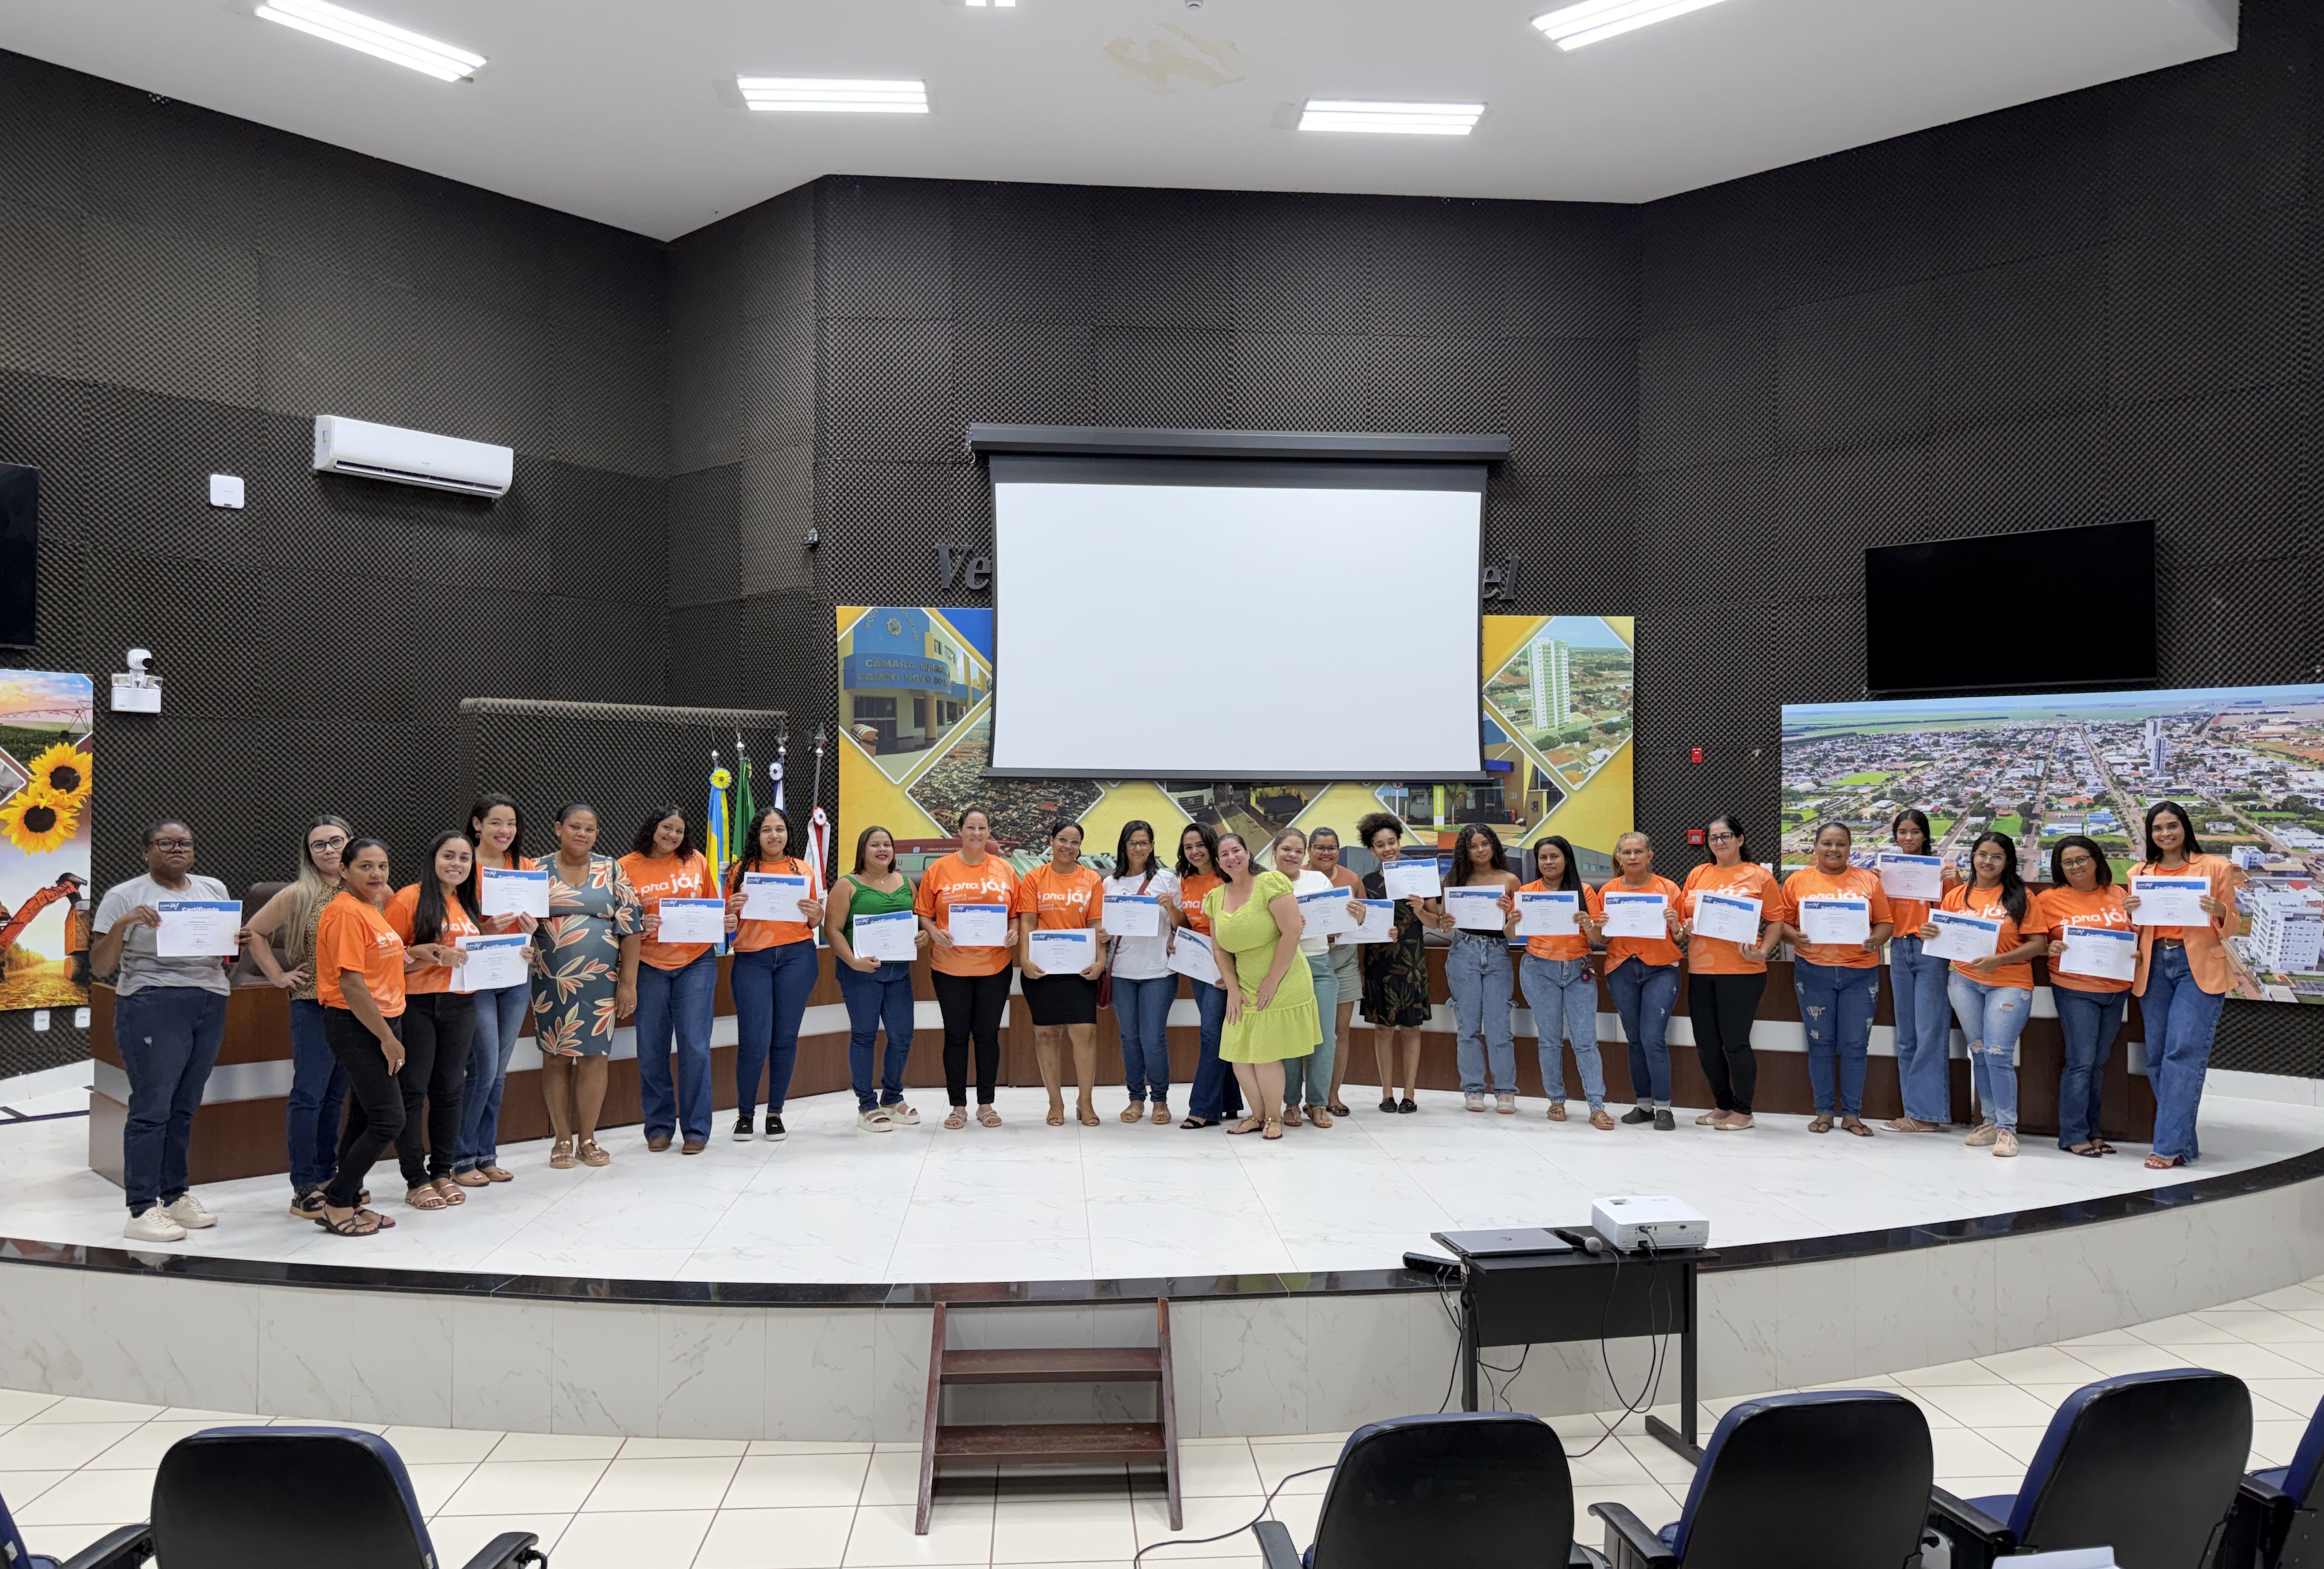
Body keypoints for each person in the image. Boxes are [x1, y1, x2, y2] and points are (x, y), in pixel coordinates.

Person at [91, 819, 234, 1243]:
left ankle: (174, 1196)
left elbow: (226, 955)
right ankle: (140, 1208)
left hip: (210, 1000)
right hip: (152, 1003)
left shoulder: (214, 889)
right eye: (166, 843)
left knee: (185, 1106)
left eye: (185, 843)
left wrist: (235, 939)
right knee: (152, 1107)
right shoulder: (123, 896)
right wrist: (124, 925)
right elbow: (100, 966)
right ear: (146, 851)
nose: (177, 849)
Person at [241, 814, 353, 1219]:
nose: (328, 850)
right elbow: (252, 933)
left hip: (358, 1006)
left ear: (349, 842)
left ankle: (328, 1174)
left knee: (337, 1094)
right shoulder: (297, 894)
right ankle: (303, 1185)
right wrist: (277, 975)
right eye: (319, 844)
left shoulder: (366, 888)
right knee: (309, 1095)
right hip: (312, 1002)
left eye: (335, 841)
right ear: (309, 853)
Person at [311, 838, 425, 1237]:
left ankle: (352, 1199)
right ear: (343, 871)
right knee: (389, 1119)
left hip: (381, 1022)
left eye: (382, 866)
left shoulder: (370, 909)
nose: (377, 874)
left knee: (363, 1117)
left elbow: (384, 969)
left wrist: (426, 956)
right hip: (357, 1024)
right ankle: (338, 1202)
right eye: (365, 866)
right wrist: (388, 1039)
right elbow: (352, 984)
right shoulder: (344, 912)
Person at [2125, 801, 2243, 1170]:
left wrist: (2220, 912)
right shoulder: (2139, 872)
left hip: (2198, 967)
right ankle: (2184, 1144)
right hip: (2155, 966)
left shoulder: (2215, 868)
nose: (2165, 834)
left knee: (2183, 1053)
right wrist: (2131, 913)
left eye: (2171, 826)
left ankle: (2167, 1146)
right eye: (2157, 828)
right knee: (2157, 1058)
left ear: (2184, 828)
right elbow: (2137, 929)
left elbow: (2235, 926)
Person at [532, 803, 642, 1169]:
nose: (582, 834)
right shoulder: (535, 870)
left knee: (595, 1056)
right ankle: (562, 1138)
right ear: (558, 828)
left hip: (601, 982)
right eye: (575, 827)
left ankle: (588, 1138)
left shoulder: (611, 869)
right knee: (557, 1056)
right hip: (550, 979)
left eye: (590, 829)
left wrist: (628, 984)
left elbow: (631, 929)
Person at [1775, 823, 1892, 1137]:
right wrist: (1795, 937)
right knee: (1820, 1044)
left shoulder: (1867, 881)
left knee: (1855, 1045)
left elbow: (1885, 923)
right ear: (1816, 846)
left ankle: (1852, 1114)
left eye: (1841, 844)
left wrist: (1876, 940)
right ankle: (1824, 1112)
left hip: (1860, 973)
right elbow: (1781, 922)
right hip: (1814, 971)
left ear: (1850, 848)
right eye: (1827, 843)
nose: (1834, 850)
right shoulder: (1798, 881)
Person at [383, 831, 479, 1209]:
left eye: (464, 859)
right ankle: (415, 1178)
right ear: (433, 858)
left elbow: (474, 954)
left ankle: (443, 1171)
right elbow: (387, 957)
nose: (456, 864)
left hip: (461, 1005)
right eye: (448, 856)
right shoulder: (408, 898)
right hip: (417, 1006)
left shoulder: (467, 901)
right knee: (412, 1093)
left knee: (450, 1092)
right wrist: (431, 956)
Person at [1204, 831, 1318, 1139]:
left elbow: (1292, 931)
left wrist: (1271, 981)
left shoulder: (1271, 883)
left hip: (1282, 979)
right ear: (1219, 861)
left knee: (1266, 1055)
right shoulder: (1215, 898)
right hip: (1244, 985)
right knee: (1239, 1054)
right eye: (1225, 854)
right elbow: (1219, 949)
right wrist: (1233, 988)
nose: (1232, 858)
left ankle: (1274, 1118)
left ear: (1248, 852)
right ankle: (1256, 1116)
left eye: (1236, 850)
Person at [620, 805, 720, 1155]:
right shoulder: (626, 866)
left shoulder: (697, 861)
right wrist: (637, 925)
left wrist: (724, 921)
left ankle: (696, 1129)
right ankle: (659, 1127)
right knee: (651, 1050)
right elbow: (616, 920)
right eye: (667, 828)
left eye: (679, 831)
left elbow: (713, 906)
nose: (672, 836)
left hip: (696, 962)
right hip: (647, 964)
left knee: (695, 1046)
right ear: (653, 827)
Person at [1941, 831, 2047, 1159]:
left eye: (1996, 856)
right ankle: (1988, 1122)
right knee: (1980, 1053)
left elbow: (2039, 945)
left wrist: (1999, 960)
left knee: (1999, 1053)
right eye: (1982, 854)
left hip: (2010, 983)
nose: (1987, 861)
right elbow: (1946, 937)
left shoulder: (2022, 897)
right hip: (1964, 982)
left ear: (2007, 862)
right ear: (1973, 857)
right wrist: (1933, 932)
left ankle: (2007, 1129)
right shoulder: (1957, 896)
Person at [915, 805, 1021, 1129]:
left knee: (988, 1035)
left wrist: (1015, 930)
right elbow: (924, 912)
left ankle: (986, 1105)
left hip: (995, 965)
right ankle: (958, 1106)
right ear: (959, 831)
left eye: (983, 828)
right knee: (956, 1036)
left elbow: (1016, 911)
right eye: (971, 827)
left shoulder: (1004, 869)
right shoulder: (939, 869)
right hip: (950, 967)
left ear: (990, 833)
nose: (977, 833)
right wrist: (934, 932)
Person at [1677, 814, 1784, 1132]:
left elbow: (1777, 921)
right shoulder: (1698, 873)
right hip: (1700, 969)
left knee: (1735, 1043)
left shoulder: (1759, 876)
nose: (1719, 843)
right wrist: (1684, 926)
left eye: (1726, 836)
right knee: (1707, 1043)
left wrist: (1763, 951)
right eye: (1713, 838)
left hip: (1742, 972)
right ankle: (1722, 1104)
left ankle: (1744, 1110)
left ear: (1740, 839)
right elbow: (1686, 918)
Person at [452, 794, 537, 1187]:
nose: (505, 832)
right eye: (496, 824)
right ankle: (461, 1157)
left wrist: (532, 935)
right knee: (483, 1069)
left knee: (498, 1072)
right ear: (476, 825)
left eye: (512, 824)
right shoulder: (461, 863)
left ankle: (486, 1154)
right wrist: (481, 931)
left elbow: (536, 923)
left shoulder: (525, 868)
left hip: (515, 975)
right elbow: (445, 920)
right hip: (476, 977)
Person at [725, 807, 824, 1142]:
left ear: (787, 833)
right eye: (767, 830)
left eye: (780, 829)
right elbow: (727, 924)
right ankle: (745, 1115)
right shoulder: (740, 871)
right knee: (754, 1040)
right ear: (757, 834)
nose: (774, 836)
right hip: (752, 959)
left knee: (784, 1038)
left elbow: (813, 921)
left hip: (797, 957)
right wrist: (731, 910)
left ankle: (775, 1112)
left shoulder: (803, 868)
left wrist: (818, 913)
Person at [824, 825, 927, 1130]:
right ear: (862, 851)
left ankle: (893, 1097)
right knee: (864, 1036)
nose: (882, 850)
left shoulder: (906, 882)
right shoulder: (847, 885)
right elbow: (832, 930)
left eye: (887, 845)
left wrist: (923, 936)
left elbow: (919, 922)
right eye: (875, 845)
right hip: (860, 974)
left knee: (902, 1035)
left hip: (899, 973)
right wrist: (854, 962)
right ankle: (866, 1104)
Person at [1508, 833, 1611, 1129]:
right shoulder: (1527, 892)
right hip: (1539, 969)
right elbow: (1512, 937)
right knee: (1550, 1039)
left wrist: (1588, 924)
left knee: (1585, 1040)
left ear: (1566, 859)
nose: (1549, 862)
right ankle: (1556, 1101)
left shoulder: (1585, 891)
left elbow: (1598, 940)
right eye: (1543, 857)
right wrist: (1512, 922)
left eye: (1555, 856)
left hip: (1578, 969)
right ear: (1537, 862)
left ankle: (1597, 1106)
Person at [1584, 831, 1684, 1130]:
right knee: (1635, 1040)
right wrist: (1596, 926)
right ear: (1618, 857)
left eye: (1638, 852)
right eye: (1626, 853)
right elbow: (1602, 938)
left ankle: (1664, 1107)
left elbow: (1681, 936)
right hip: (1623, 968)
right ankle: (1643, 1105)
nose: (1632, 857)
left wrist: (1675, 923)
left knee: (1653, 1037)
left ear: (1650, 855)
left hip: (1661, 969)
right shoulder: (1609, 891)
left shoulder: (1668, 888)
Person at [2040, 835, 2133, 1157]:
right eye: (2068, 862)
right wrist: (2049, 946)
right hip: (2075, 988)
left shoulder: (2118, 894)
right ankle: (2073, 1134)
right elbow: (2037, 941)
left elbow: (2132, 933)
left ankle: (2094, 1131)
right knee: (2080, 1062)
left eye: (2081, 859)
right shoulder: (2049, 900)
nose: (2076, 866)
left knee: (2098, 1064)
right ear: (2060, 868)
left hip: (2116, 989)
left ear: (2096, 861)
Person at [1017, 820, 1110, 1127]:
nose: (1068, 847)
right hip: (1042, 970)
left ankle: (1085, 1102)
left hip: (1080, 969)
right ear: (1052, 841)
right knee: (1046, 1034)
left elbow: (1097, 926)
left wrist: (1101, 962)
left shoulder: (1092, 880)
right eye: (1062, 840)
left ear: (1080, 847)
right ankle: (1055, 1103)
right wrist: (1025, 961)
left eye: (1074, 842)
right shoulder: (1034, 878)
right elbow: (1028, 922)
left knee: (1085, 1034)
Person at [1431, 824, 1521, 1114]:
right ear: (1464, 851)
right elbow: (1445, 922)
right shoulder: (1455, 880)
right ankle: (1473, 1089)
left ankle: (1505, 1090)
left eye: (1485, 844)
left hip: (1497, 953)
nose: (1480, 850)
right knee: (1467, 1027)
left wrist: (1510, 915)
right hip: (1463, 951)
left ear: (1494, 846)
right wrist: (1444, 922)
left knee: (1499, 1028)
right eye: (1473, 846)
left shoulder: (1510, 880)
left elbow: (1515, 933)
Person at [1882, 808, 1957, 1134]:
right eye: (1902, 832)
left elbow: (1959, 914)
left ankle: (1928, 1114)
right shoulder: (1887, 871)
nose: (1908, 838)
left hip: (1932, 954)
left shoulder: (1943, 872)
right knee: (1907, 1036)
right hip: (1899, 950)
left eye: (1914, 832)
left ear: (1925, 835)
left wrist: (1952, 884)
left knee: (1929, 1033)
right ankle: (1914, 1111)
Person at [1103, 820, 1178, 1125]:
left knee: (1153, 1039)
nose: (1139, 848)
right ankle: (1136, 1099)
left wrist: (1171, 907)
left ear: (1152, 846)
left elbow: (1180, 925)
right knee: (1129, 1039)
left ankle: (1160, 1100)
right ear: (1124, 846)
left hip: (1158, 972)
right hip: (1121, 971)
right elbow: (1103, 925)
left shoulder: (1167, 880)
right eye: (1133, 843)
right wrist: (1102, 935)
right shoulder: (1110, 884)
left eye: (1145, 842)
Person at [1356, 811, 1431, 1114]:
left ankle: (1410, 1094)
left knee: (1411, 1030)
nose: (1388, 848)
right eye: (1380, 845)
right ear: (1371, 850)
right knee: (1383, 1030)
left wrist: (1422, 909)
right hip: (1379, 964)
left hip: (1412, 963)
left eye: (1392, 842)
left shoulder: (1420, 876)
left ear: (1399, 842)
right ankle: (1387, 1093)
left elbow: (1438, 922)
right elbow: (1361, 927)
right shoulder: (1368, 882)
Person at [1171, 821, 1243, 1129]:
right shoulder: (1185, 882)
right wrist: (1176, 941)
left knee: (1211, 1033)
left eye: (1200, 845)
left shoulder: (1226, 879)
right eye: (1188, 847)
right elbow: (1189, 924)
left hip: (1224, 964)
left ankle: (1202, 1108)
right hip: (1197, 965)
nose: (1195, 851)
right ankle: (1228, 1102)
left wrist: (1232, 971)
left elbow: (1239, 926)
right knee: (1218, 1031)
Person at [1270, 827, 1337, 1128]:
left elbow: (1334, 923)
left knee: (1324, 1037)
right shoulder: (1263, 884)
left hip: (1319, 964)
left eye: (1298, 850)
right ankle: (1292, 1104)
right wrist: (1287, 925)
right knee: (1290, 1040)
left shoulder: (1319, 881)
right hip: (1284, 968)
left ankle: (1318, 1103)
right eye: (1286, 849)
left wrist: (1352, 915)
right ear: (1274, 852)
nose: (1292, 855)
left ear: (1305, 853)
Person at [1308, 827, 1364, 1119]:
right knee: (1307, 1031)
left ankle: (1331, 1095)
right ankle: (1304, 1096)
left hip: (1344, 960)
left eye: (1331, 848)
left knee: (1339, 1032)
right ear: (1309, 850)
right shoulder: (1298, 877)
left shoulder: (1351, 879)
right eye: (1319, 847)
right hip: (1308, 958)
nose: (1326, 853)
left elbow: (1365, 920)